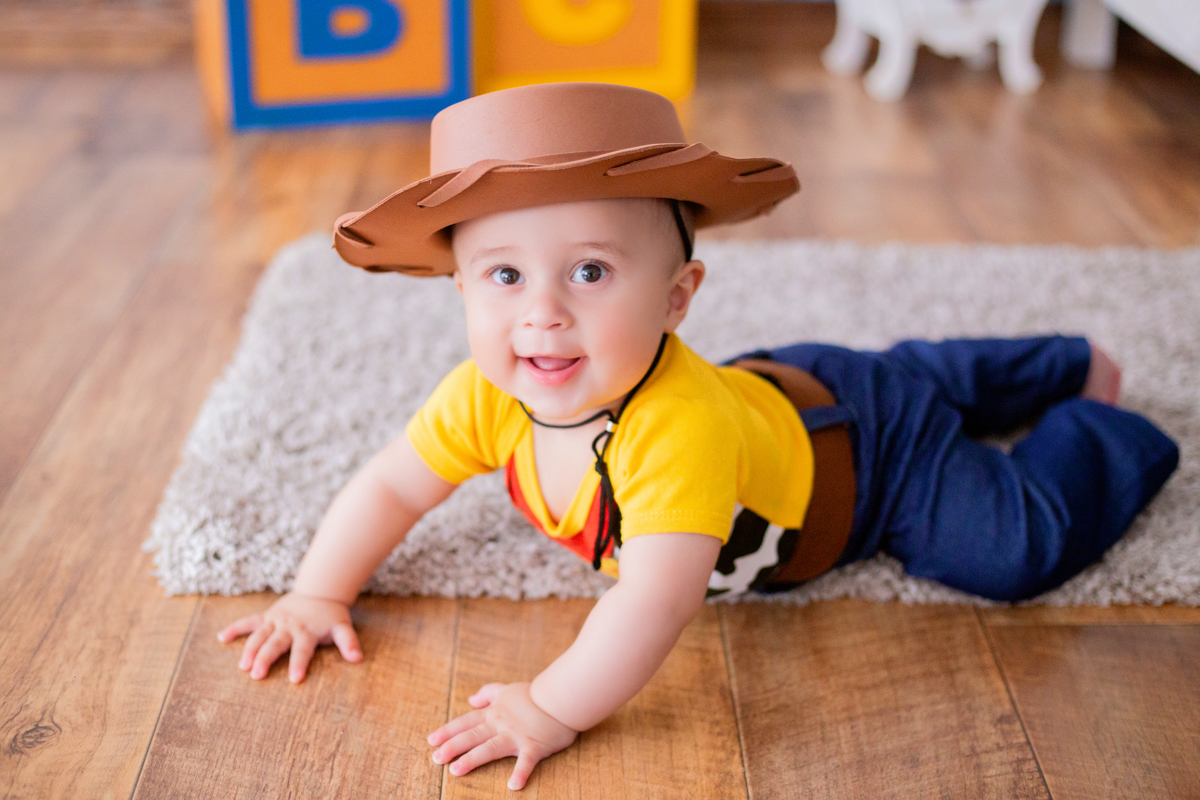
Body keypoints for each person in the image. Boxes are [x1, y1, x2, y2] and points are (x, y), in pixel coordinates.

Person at [216, 83, 1179, 790]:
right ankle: (1051, 356)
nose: (542, 316)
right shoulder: (483, 394)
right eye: (504, 278)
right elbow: (391, 485)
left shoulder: (672, 432)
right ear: (460, 289)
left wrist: (551, 705)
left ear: (678, 296)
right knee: (912, 371)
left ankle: (1105, 422)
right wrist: (316, 591)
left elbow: (654, 601)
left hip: (873, 473)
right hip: (789, 388)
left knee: (1009, 540)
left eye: (590, 272)